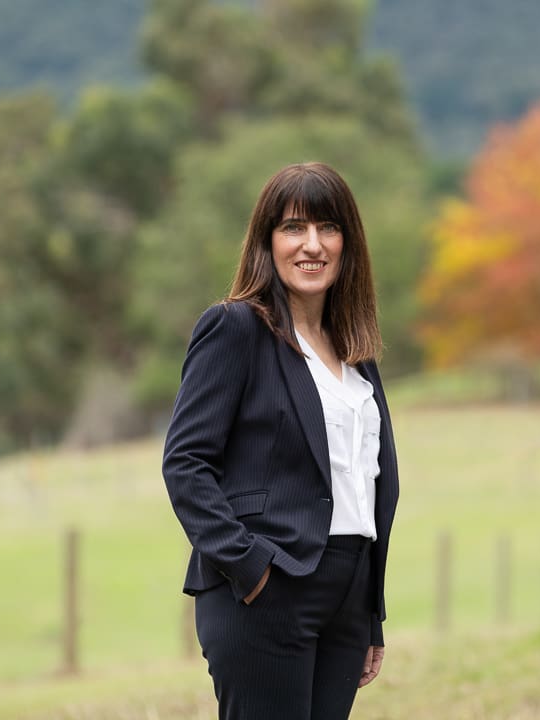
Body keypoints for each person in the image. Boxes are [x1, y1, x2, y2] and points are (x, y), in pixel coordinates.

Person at [162, 162, 399, 720]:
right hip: (266, 589)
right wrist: (252, 570)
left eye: (328, 228)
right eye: (294, 228)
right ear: (267, 241)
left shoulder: (356, 353)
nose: (312, 245)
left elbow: (361, 485)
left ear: (349, 242)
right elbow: (186, 464)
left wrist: (369, 613)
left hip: (347, 592)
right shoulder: (236, 328)